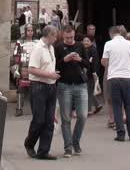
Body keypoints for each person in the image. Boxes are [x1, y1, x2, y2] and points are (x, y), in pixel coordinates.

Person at [24, 25, 60, 160]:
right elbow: (32, 69)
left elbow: (47, 66)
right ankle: (29, 143)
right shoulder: (38, 48)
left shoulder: (51, 48)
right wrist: (49, 75)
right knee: (39, 120)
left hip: (51, 86)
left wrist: (52, 74)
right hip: (39, 86)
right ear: (49, 35)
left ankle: (43, 151)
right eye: (55, 35)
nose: (56, 38)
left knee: (49, 121)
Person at [54, 25, 89, 158]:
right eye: (67, 38)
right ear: (63, 36)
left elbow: (87, 64)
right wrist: (65, 59)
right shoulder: (58, 47)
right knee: (66, 118)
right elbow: (54, 65)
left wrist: (80, 59)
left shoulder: (80, 46)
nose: (70, 40)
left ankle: (76, 141)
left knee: (83, 115)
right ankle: (68, 147)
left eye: (72, 37)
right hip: (64, 86)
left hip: (80, 85)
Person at [101, 25, 130, 142]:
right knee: (129, 106)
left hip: (113, 78)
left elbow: (104, 62)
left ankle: (120, 134)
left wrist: (113, 62)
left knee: (117, 106)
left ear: (111, 34)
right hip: (127, 77)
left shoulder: (108, 44)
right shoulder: (129, 44)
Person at [13, 25, 38, 117]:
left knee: (34, 90)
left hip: (34, 68)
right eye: (28, 30)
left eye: (32, 30)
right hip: (22, 68)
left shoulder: (37, 42)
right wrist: (16, 68)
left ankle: (35, 109)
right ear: (25, 31)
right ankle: (19, 108)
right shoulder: (20, 42)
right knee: (20, 89)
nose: (30, 32)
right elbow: (16, 54)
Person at [84, 25, 103, 115]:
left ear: (91, 42)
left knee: (88, 91)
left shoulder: (93, 50)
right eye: (84, 41)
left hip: (92, 74)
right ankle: (97, 104)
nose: (85, 42)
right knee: (90, 91)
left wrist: (95, 74)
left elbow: (95, 63)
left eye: (87, 41)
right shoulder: (86, 49)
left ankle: (88, 110)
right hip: (88, 73)